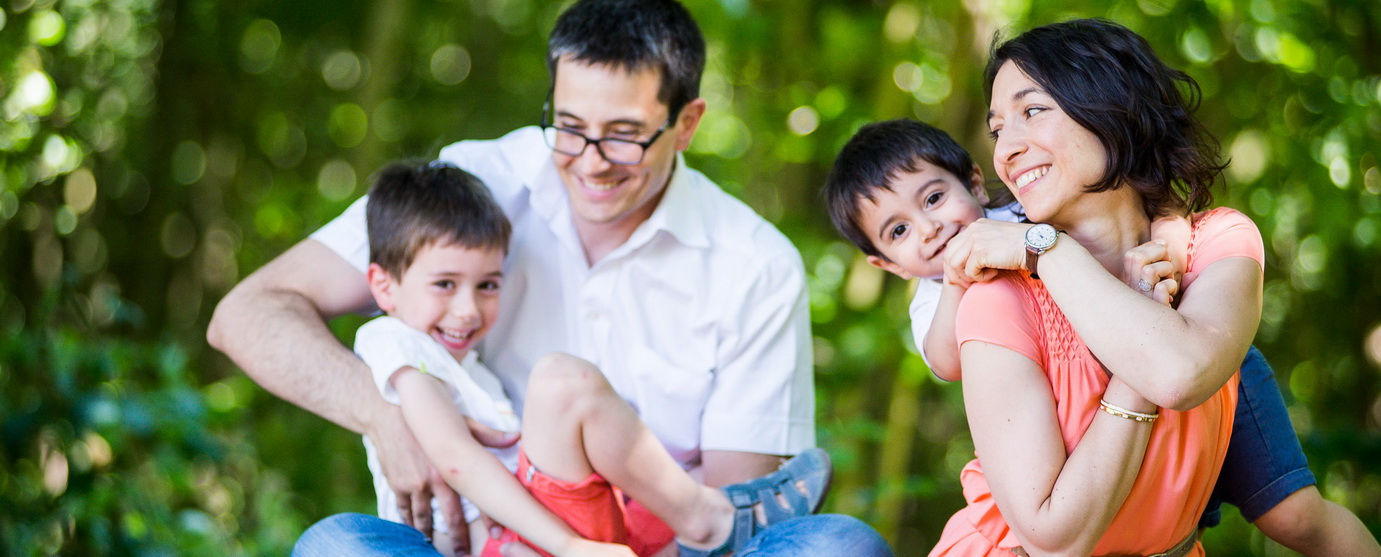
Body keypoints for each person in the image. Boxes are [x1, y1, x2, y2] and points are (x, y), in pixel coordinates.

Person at [208, 0, 891, 555]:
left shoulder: (754, 263)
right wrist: (387, 414)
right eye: (569, 127)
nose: (591, 161)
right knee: (339, 548)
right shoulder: (472, 189)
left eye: (624, 133)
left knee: (836, 546)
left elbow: (728, 519)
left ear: (686, 124)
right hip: (486, 542)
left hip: (652, 547)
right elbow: (250, 311)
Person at [919, 19, 1378, 555]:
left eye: (1032, 111)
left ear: (1111, 104)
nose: (1007, 151)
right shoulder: (999, 300)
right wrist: (1048, 250)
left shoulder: (1217, 245)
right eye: (998, 130)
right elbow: (1054, 539)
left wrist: (1045, 248)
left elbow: (1183, 370)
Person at [825, 115, 1381, 554]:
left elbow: (1143, 205)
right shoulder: (936, 294)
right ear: (886, 265)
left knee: (1295, 514)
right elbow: (947, 360)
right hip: (1096, 405)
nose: (931, 228)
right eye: (899, 231)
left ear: (975, 181)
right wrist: (954, 281)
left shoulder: (1031, 207)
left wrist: (1170, 253)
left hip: (1202, 365)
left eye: (933, 198)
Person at [329, 160, 832, 557]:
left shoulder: (465, 367)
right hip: (504, 542)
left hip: (532, 525)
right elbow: (457, 462)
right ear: (383, 286)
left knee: (691, 473)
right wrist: (570, 547)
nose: (468, 309)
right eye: (444, 284)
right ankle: (707, 521)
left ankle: (707, 517)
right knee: (561, 381)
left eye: (487, 285)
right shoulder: (393, 342)